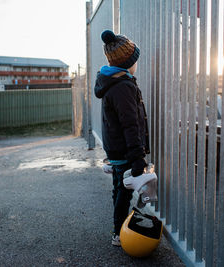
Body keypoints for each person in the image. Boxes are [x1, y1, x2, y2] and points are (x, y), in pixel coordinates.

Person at [94, 30, 150, 247]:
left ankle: (119, 229)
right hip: (126, 151)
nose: (136, 64)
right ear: (127, 63)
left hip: (117, 149)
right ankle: (119, 233)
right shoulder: (123, 87)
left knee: (120, 188)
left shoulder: (111, 83)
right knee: (124, 192)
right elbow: (129, 124)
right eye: (134, 60)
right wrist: (137, 157)